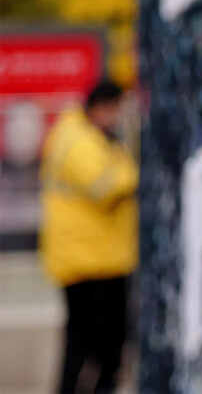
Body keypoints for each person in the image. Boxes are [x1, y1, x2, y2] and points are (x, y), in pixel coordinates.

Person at [39, 81, 138, 394]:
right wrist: (132, 171)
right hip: (89, 259)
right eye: (115, 110)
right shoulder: (79, 141)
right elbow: (104, 187)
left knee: (89, 339)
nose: (118, 118)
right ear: (101, 107)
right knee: (93, 340)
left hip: (93, 255)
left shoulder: (84, 136)